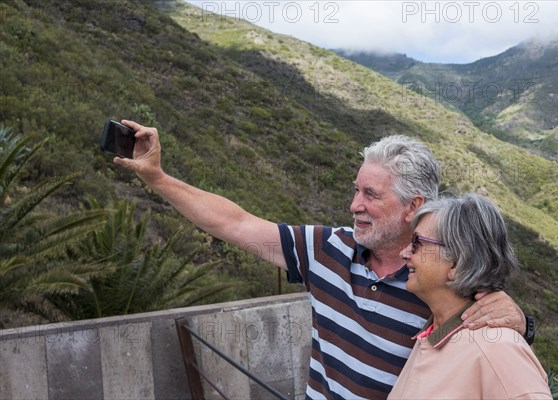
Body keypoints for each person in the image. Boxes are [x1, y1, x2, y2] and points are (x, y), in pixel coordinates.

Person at [114, 120, 528, 399]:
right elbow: (235, 224)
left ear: (412, 205)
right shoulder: (326, 248)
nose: (354, 205)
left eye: (370, 195)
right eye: (355, 190)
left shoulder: (437, 277)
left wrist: (523, 321)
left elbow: (497, 346)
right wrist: (158, 178)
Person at [388, 194, 551, 399]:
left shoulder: (497, 350)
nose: (405, 253)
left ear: (456, 262)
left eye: (417, 243)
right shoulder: (434, 333)